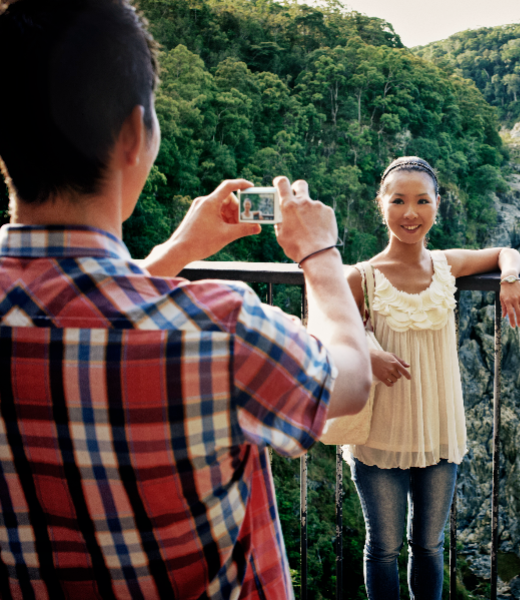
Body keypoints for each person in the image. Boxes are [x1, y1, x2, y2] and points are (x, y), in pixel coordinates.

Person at [0, 1, 371, 598]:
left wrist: (178, 248)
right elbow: (350, 381)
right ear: (133, 134)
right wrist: (319, 255)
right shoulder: (220, 329)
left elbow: (72, 306)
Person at [343, 156, 520, 600]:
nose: (411, 213)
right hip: (380, 431)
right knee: (384, 548)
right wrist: (370, 353)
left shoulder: (447, 266)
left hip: (439, 428)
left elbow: (508, 252)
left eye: (422, 201)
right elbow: (330, 331)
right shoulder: (361, 278)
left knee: (428, 546)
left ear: (437, 205)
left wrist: (508, 277)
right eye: (399, 201)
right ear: (381, 205)